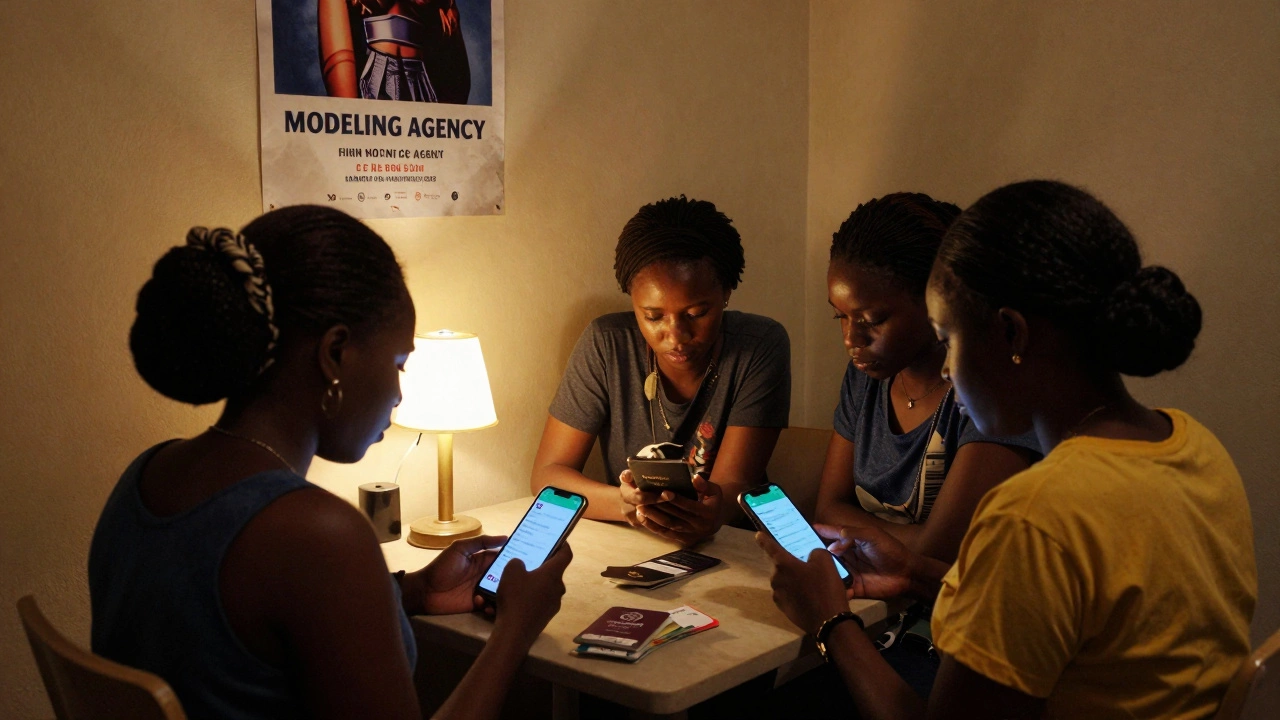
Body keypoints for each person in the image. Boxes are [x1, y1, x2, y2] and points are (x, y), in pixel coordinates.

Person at [759, 180, 1256, 719]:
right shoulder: (1194, 446)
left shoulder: (1032, 517)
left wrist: (832, 622)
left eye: (949, 339)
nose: (946, 369)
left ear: (1011, 335)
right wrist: (917, 574)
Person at [90, 206, 570, 720]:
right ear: (335, 353)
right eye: (398, 365)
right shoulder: (318, 533)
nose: (397, 396)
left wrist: (413, 590)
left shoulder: (146, 476)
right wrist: (516, 628)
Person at [531, 195, 791, 546]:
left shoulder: (758, 346)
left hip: (734, 545)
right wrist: (625, 503)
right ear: (632, 301)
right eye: (653, 317)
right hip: (638, 544)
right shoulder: (606, 345)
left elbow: (733, 489)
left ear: (726, 293)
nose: (676, 337)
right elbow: (548, 476)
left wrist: (710, 513)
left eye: (697, 314)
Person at [817, 193, 1039, 565]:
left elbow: (942, 550)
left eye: (872, 320)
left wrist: (865, 532)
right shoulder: (867, 373)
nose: (851, 341)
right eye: (839, 316)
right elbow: (827, 508)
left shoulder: (987, 387)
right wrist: (907, 543)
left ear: (936, 301)